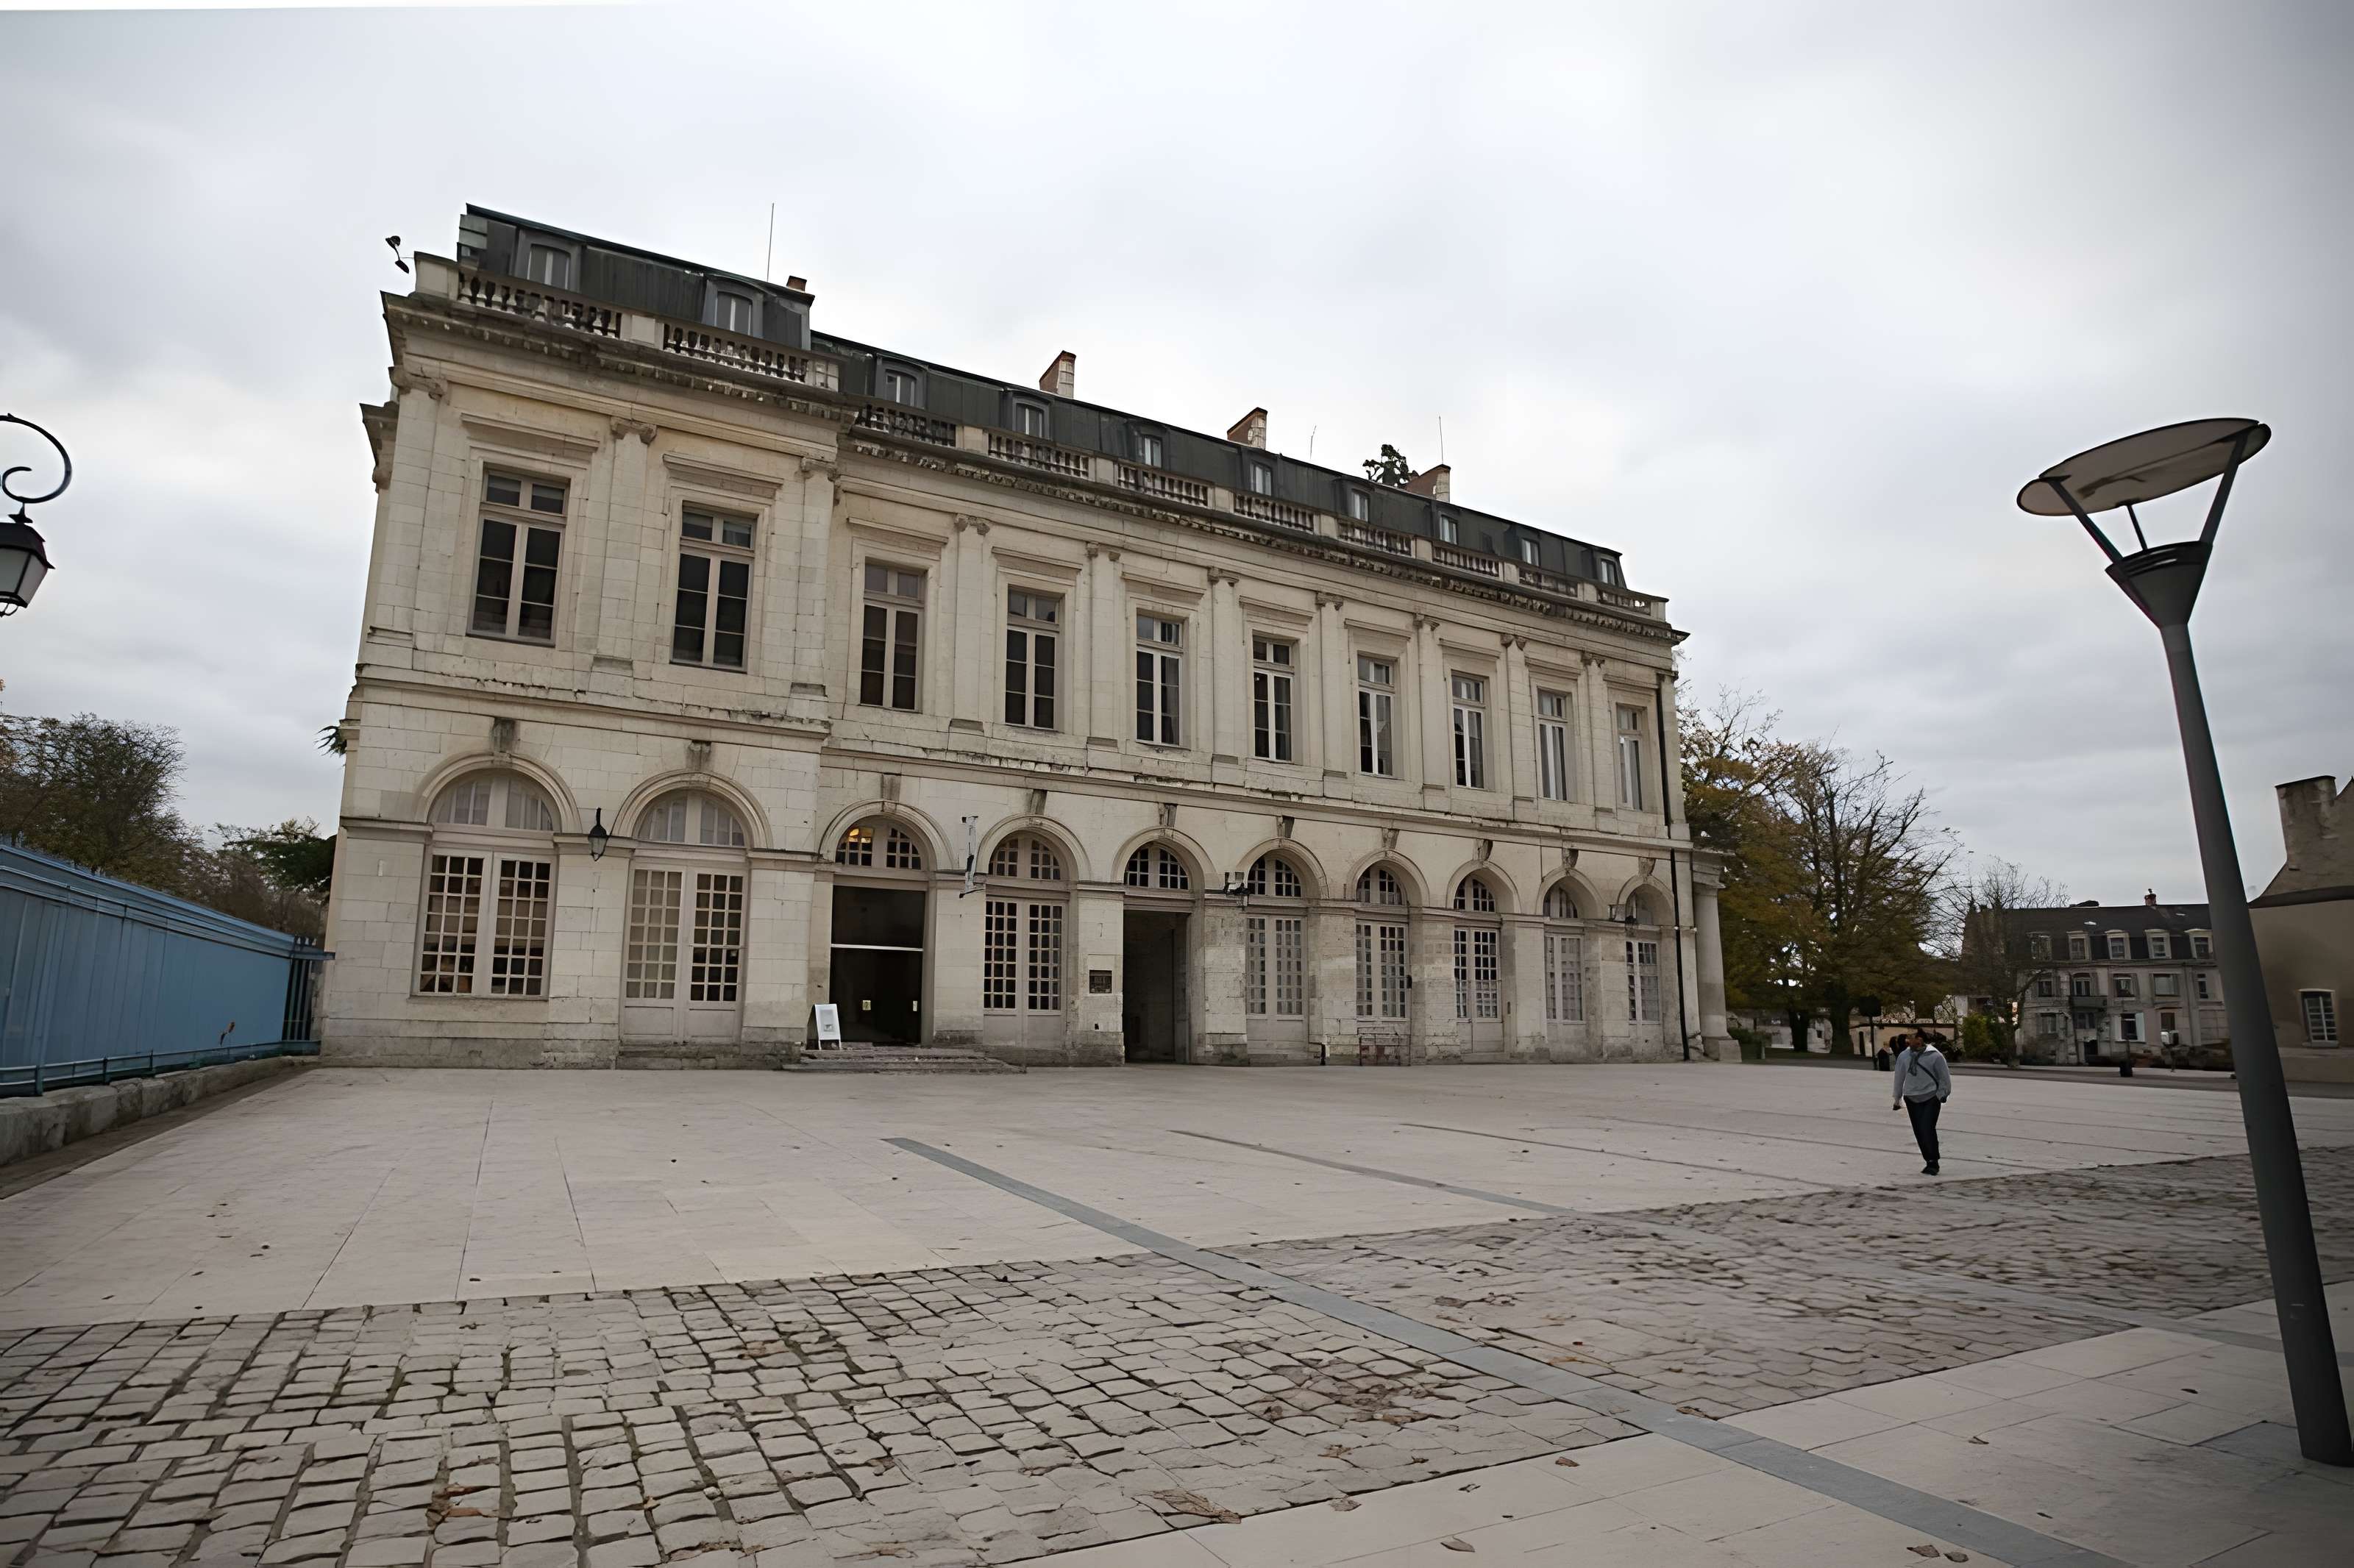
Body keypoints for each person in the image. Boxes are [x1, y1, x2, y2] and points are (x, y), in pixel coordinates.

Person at [1891, 1032, 1952, 1175]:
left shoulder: (1935, 1056)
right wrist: (1897, 1098)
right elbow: (1899, 1077)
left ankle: (1933, 1162)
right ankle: (1928, 1160)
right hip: (1911, 1097)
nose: (1909, 1041)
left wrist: (1942, 1094)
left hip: (1931, 1097)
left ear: (1920, 1039)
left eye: (1912, 1038)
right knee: (1919, 1131)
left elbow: (1944, 1077)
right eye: (1908, 1038)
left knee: (1927, 1128)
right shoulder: (1904, 1056)